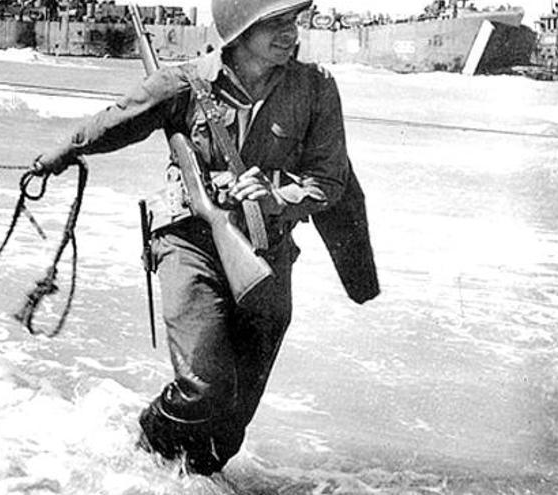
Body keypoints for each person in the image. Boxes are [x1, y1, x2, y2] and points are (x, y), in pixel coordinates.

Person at [31, 0, 378, 475]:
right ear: (240, 30)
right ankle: (145, 444)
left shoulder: (315, 87)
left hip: (266, 250)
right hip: (189, 242)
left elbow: (329, 180)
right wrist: (59, 155)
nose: (289, 33)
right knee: (205, 388)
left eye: (292, 21)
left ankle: (185, 480)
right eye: (274, 23)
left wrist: (276, 196)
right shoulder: (184, 81)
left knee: (229, 428)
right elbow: (114, 122)